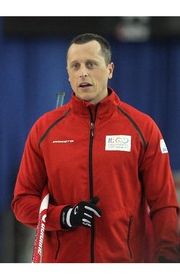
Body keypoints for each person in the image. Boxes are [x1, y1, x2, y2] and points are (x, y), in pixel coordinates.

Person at [11, 33, 180, 263]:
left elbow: (164, 203)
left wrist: (168, 260)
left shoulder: (142, 127)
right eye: (75, 66)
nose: (83, 72)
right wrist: (65, 216)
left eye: (91, 64)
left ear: (110, 69)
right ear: (68, 74)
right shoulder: (45, 130)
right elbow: (22, 202)